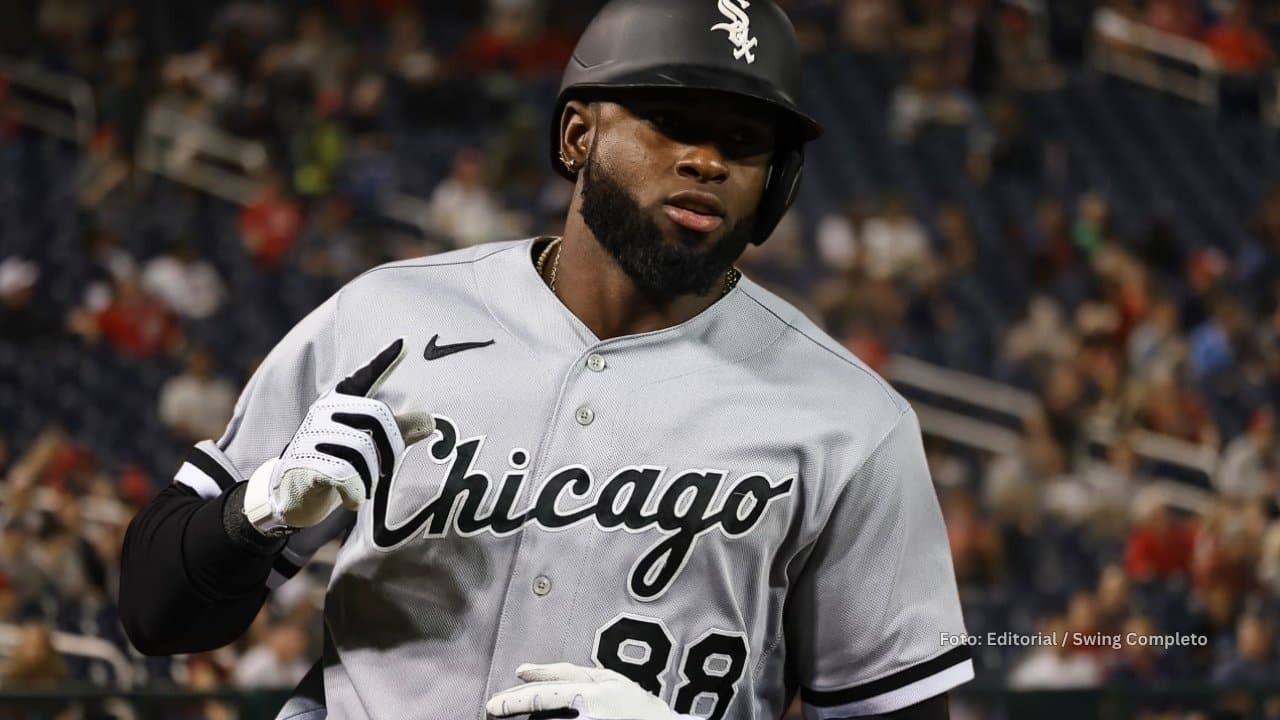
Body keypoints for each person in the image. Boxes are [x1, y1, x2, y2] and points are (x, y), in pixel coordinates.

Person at [118, 2, 972, 719]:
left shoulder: (853, 423)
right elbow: (156, 612)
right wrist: (257, 511)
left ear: (775, 186)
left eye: (745, 142)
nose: (708, 160)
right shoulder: (388, 317)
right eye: (673, 121)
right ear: (576, 135)